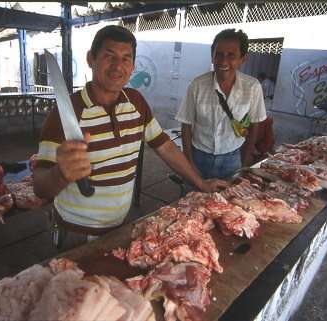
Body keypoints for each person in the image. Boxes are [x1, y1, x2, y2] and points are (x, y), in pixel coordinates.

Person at [33, 25, 228, 236]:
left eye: (126, 58)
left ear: (133, 66)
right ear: (91, 59)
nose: (118, 66)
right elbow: (40, 187)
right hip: (75, 231)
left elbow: (165, 147)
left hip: (121, 226)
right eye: (109, 56)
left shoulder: (136, 102)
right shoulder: (64, 112)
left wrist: (200, 183)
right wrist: (60, 174)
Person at [176, 29, 267, 179]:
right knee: (194, 199)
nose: (224, 61)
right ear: (212, 56)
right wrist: (190, 162)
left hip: (232, 159)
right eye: (219, 54)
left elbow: (255, 125)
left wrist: (244, 163)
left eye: (231, 55)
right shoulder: (197, 85)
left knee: (229, 200)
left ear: (242, 59)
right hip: (199, 157)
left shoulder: (252, 87)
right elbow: (186, 125)